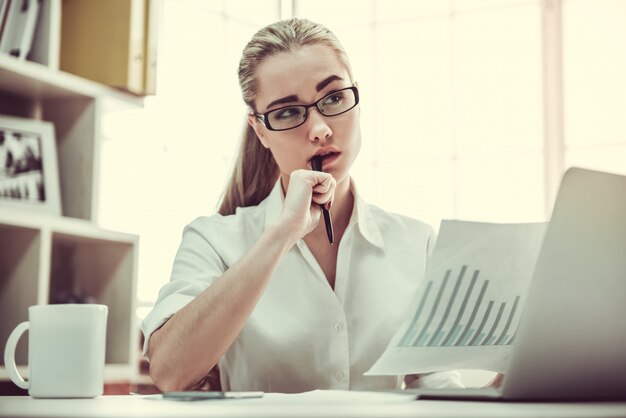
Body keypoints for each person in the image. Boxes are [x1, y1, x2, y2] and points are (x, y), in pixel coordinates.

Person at [142, 18, 462, 393]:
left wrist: (507, 384)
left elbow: (438, 386)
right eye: (287, 112)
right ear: (259, 129)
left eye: (334, 99)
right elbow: (169, 372)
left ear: (357, 98)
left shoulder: (416, 243)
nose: (320, 129)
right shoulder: (213, 240)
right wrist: (280, 234)